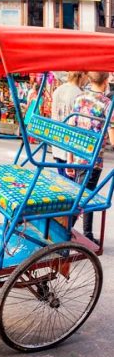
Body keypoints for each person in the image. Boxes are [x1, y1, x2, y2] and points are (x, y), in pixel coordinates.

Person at [65, 72, 114, 245]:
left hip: (78, 156)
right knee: (83, 198)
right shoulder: (107, 103)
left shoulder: (79, 98)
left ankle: (87, 233)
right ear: (106, 81)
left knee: (84, 195)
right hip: (93, 160)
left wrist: (70, 158)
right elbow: (112, 135)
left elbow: (71, 128)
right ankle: (63, 233)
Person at [51, 71, 86, 178]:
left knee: (62, 179)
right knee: (70, 184)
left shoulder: (58, 90)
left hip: (57, 141)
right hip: (70, 147)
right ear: (81, 75)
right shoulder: (79, 95)